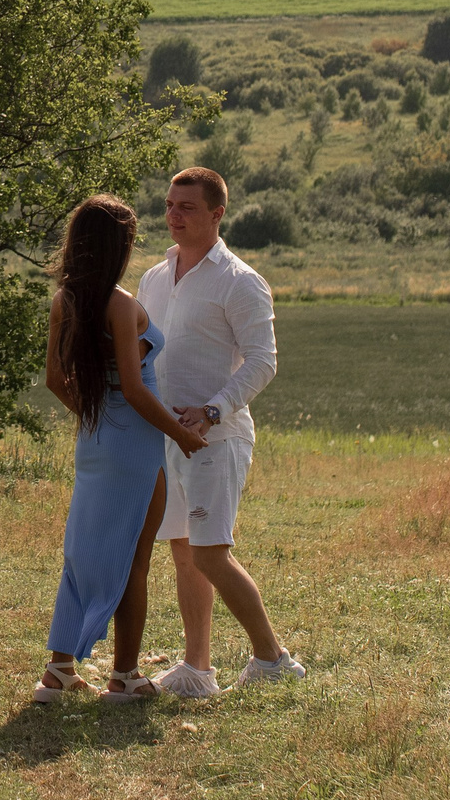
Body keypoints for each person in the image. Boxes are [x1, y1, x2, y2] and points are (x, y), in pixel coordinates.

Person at [34, 193, 215, 703]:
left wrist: (95, 416)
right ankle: (125, 676)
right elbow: (135, 390)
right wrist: (181, 433)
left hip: (94, 440)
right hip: (135, 445)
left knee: (82, 551)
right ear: (119, 245)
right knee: (135, 560)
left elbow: (54, 380)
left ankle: (59, 671)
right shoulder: (120, 305)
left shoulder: (66, 300)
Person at [136, 166, 303, 697]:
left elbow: (263, 361)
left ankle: (273, 660)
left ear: (217, 213)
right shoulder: (154, 277)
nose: (174, 215)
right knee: (184, 550)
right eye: (169, 205)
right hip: (165, 435)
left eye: (187, 207)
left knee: (210, 552)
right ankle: (197, 669)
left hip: (218, 436)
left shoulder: (240, 280)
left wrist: (212, 411)